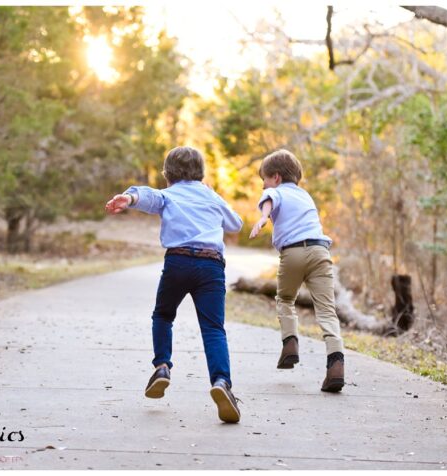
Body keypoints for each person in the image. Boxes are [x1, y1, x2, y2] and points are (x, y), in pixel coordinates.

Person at [105, 146, 244, 423]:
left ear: (167, 174)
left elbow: (149, 196)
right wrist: (212, 195)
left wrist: (129, 198)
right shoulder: (211, 197)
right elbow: (236, 224)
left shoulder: (168, 195)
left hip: (178, 262)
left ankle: (162, 366)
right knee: (213, 328)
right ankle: (221, 382)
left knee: (163, 315)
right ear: (201, 174)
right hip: (211, 265)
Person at [249, 149, 345, 392]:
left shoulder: (275, 191)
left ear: (277, 177)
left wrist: (263, 218)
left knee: (286, 298)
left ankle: (290, 342)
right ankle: (336, 364)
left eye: (265, 179)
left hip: (293, 253)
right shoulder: (305, 195)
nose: (264, 186)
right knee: (326, 310)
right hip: (321, 251)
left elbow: (270, 198)